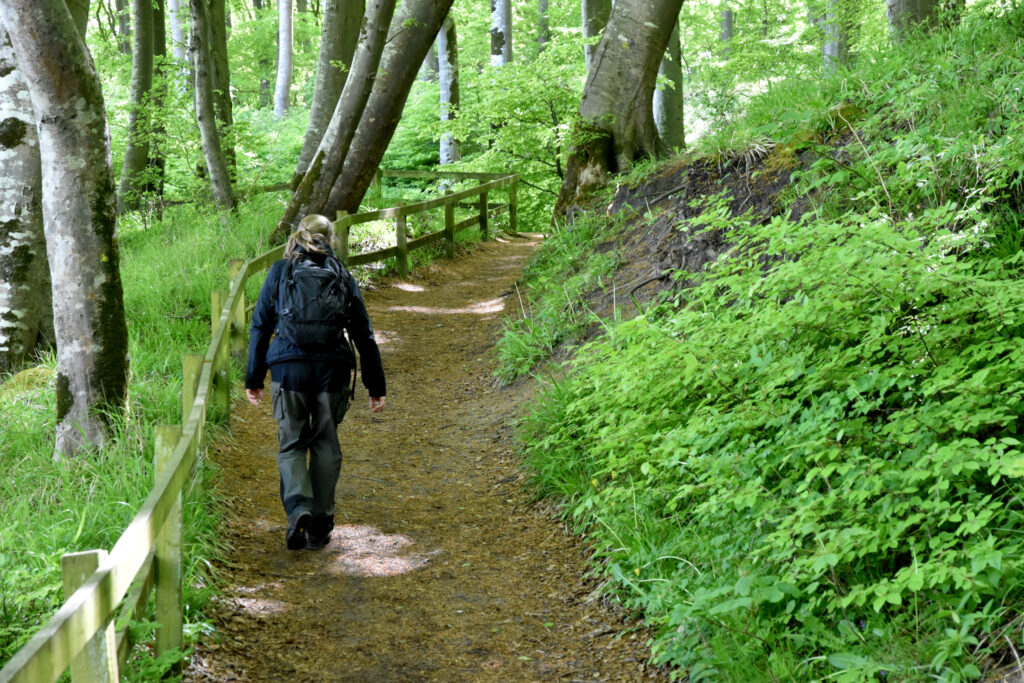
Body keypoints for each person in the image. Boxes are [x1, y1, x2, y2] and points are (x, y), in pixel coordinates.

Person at [245, 214, 386, 551]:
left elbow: (261, 325)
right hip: (332, 370)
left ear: (299, 235)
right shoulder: (341, 273)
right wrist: (375, 384)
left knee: (291, 443)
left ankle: (298, 508)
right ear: (331, 238)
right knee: (325, 443)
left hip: (288, 369)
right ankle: (321, 522)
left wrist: (254, 377)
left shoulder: (281, 271)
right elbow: (363, 334)